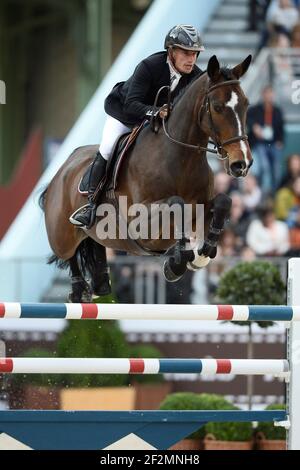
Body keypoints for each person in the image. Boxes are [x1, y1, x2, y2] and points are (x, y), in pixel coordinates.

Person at [71, 24, 205, 228]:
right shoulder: (149, 66)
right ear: (171, 51)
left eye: (194, 54)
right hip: (125, 115)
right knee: (108, 147)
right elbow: (131, 104)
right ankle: (91, 204)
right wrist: (156, 111)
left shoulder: (195, 75)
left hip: (158, 122)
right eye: (186, 53)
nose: (191, 59)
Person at [247, 85, 285, 195]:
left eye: (271, 94)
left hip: (273, 143)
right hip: (260, 143)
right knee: (264, 167)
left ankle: (275, 192)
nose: (269, 96)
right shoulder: (255, 109)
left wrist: (280, 141)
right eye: (266, 94)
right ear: (262, 95)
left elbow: (281, 127)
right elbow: (247, 118)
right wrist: (254, 126)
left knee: (276, 168)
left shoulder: (277, 110)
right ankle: (264, 193)